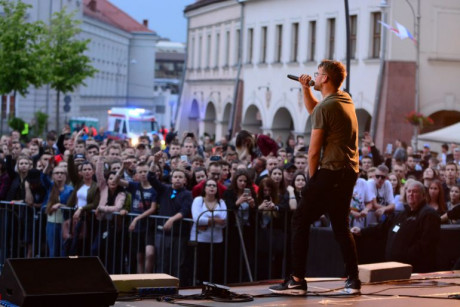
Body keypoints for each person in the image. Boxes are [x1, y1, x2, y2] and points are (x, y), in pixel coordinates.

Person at [270, 60, 361, 295]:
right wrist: (305, 88)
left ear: (325, 79)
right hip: (349, 171)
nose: (314, 76)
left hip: (330, 172)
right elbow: (316, 111)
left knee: (300, 219)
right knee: (341, 225)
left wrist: (311, 182)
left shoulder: (326, 107)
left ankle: (297, 279)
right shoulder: (345, 99)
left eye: (317, 74)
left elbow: (312, 152)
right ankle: (353, 280)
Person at [352, 181, 441, 273]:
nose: (411, 194)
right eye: (409, 191)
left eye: (415, 192)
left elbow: (427, 245)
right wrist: (361, 231)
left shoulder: (429, 214)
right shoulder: (402, 214)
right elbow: (381, 228)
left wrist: (405, 256)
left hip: (415, 269)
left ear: (423, 195)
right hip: (394, 267)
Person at [190, 178, 227, 284]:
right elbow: (197, 219)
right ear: (204, 188)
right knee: (201, 266)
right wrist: (215, 220)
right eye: (209, 185)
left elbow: (223, 221)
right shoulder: (198, 200)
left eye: (214, 185)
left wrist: (205, 221)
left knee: (216, 267)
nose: (212, 187)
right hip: (199, 238)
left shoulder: (221, 202)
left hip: (216, 240)